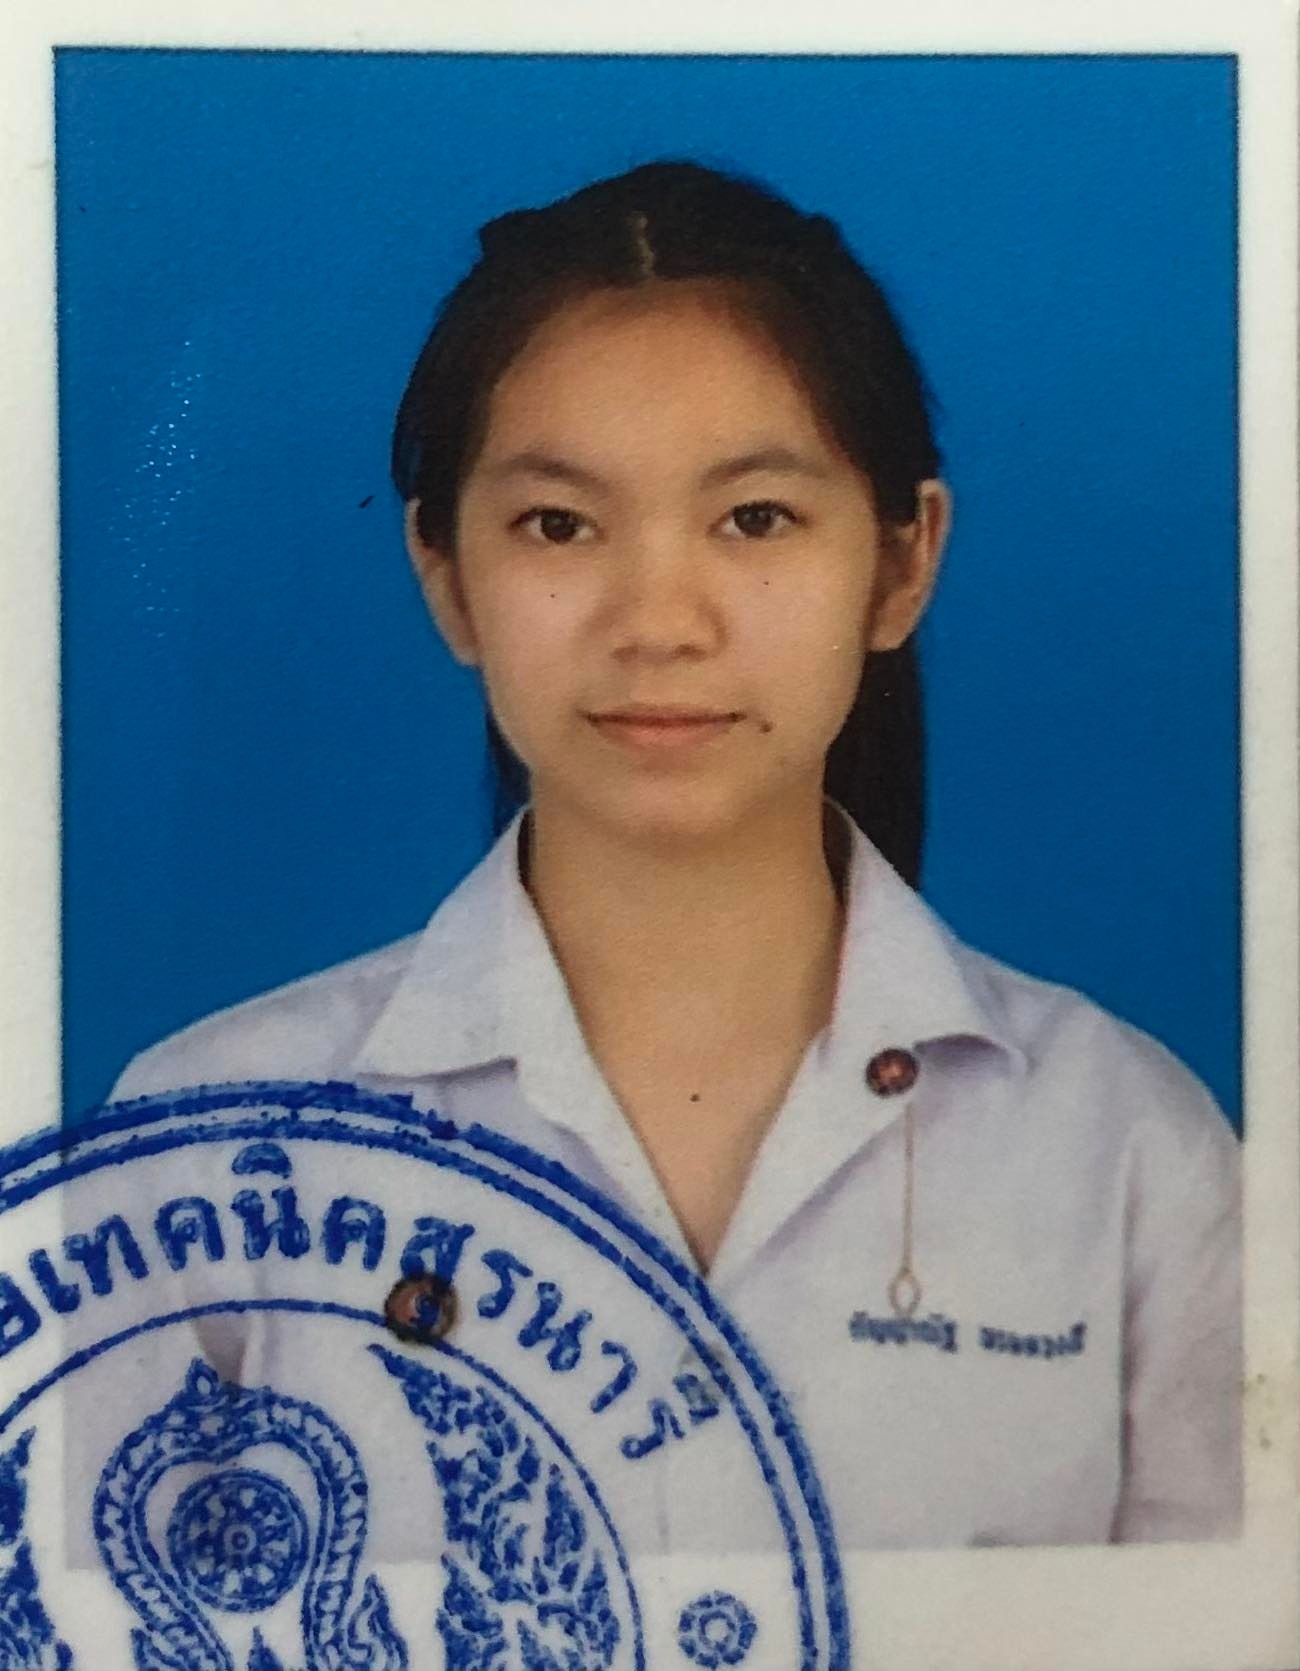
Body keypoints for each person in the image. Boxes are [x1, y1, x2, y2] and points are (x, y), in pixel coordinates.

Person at [111, 160, 1241, 1550]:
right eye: (559, 524)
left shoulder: (1130, 1152)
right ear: (445, 576)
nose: (658, 621)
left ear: (902, 564)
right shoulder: (206, 1148)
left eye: (754, 518)